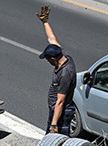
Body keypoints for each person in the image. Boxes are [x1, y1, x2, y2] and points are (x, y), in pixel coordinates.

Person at [36, 5, 77, 135]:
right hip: (56, 112)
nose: (48, 62)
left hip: (61, 114)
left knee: (56, 141)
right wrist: (45, 22)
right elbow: (52, 39)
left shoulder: (65, 73)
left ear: (53, 59)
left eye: (48, 60)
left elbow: (60, 101)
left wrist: (54, 124)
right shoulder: (63, 55)